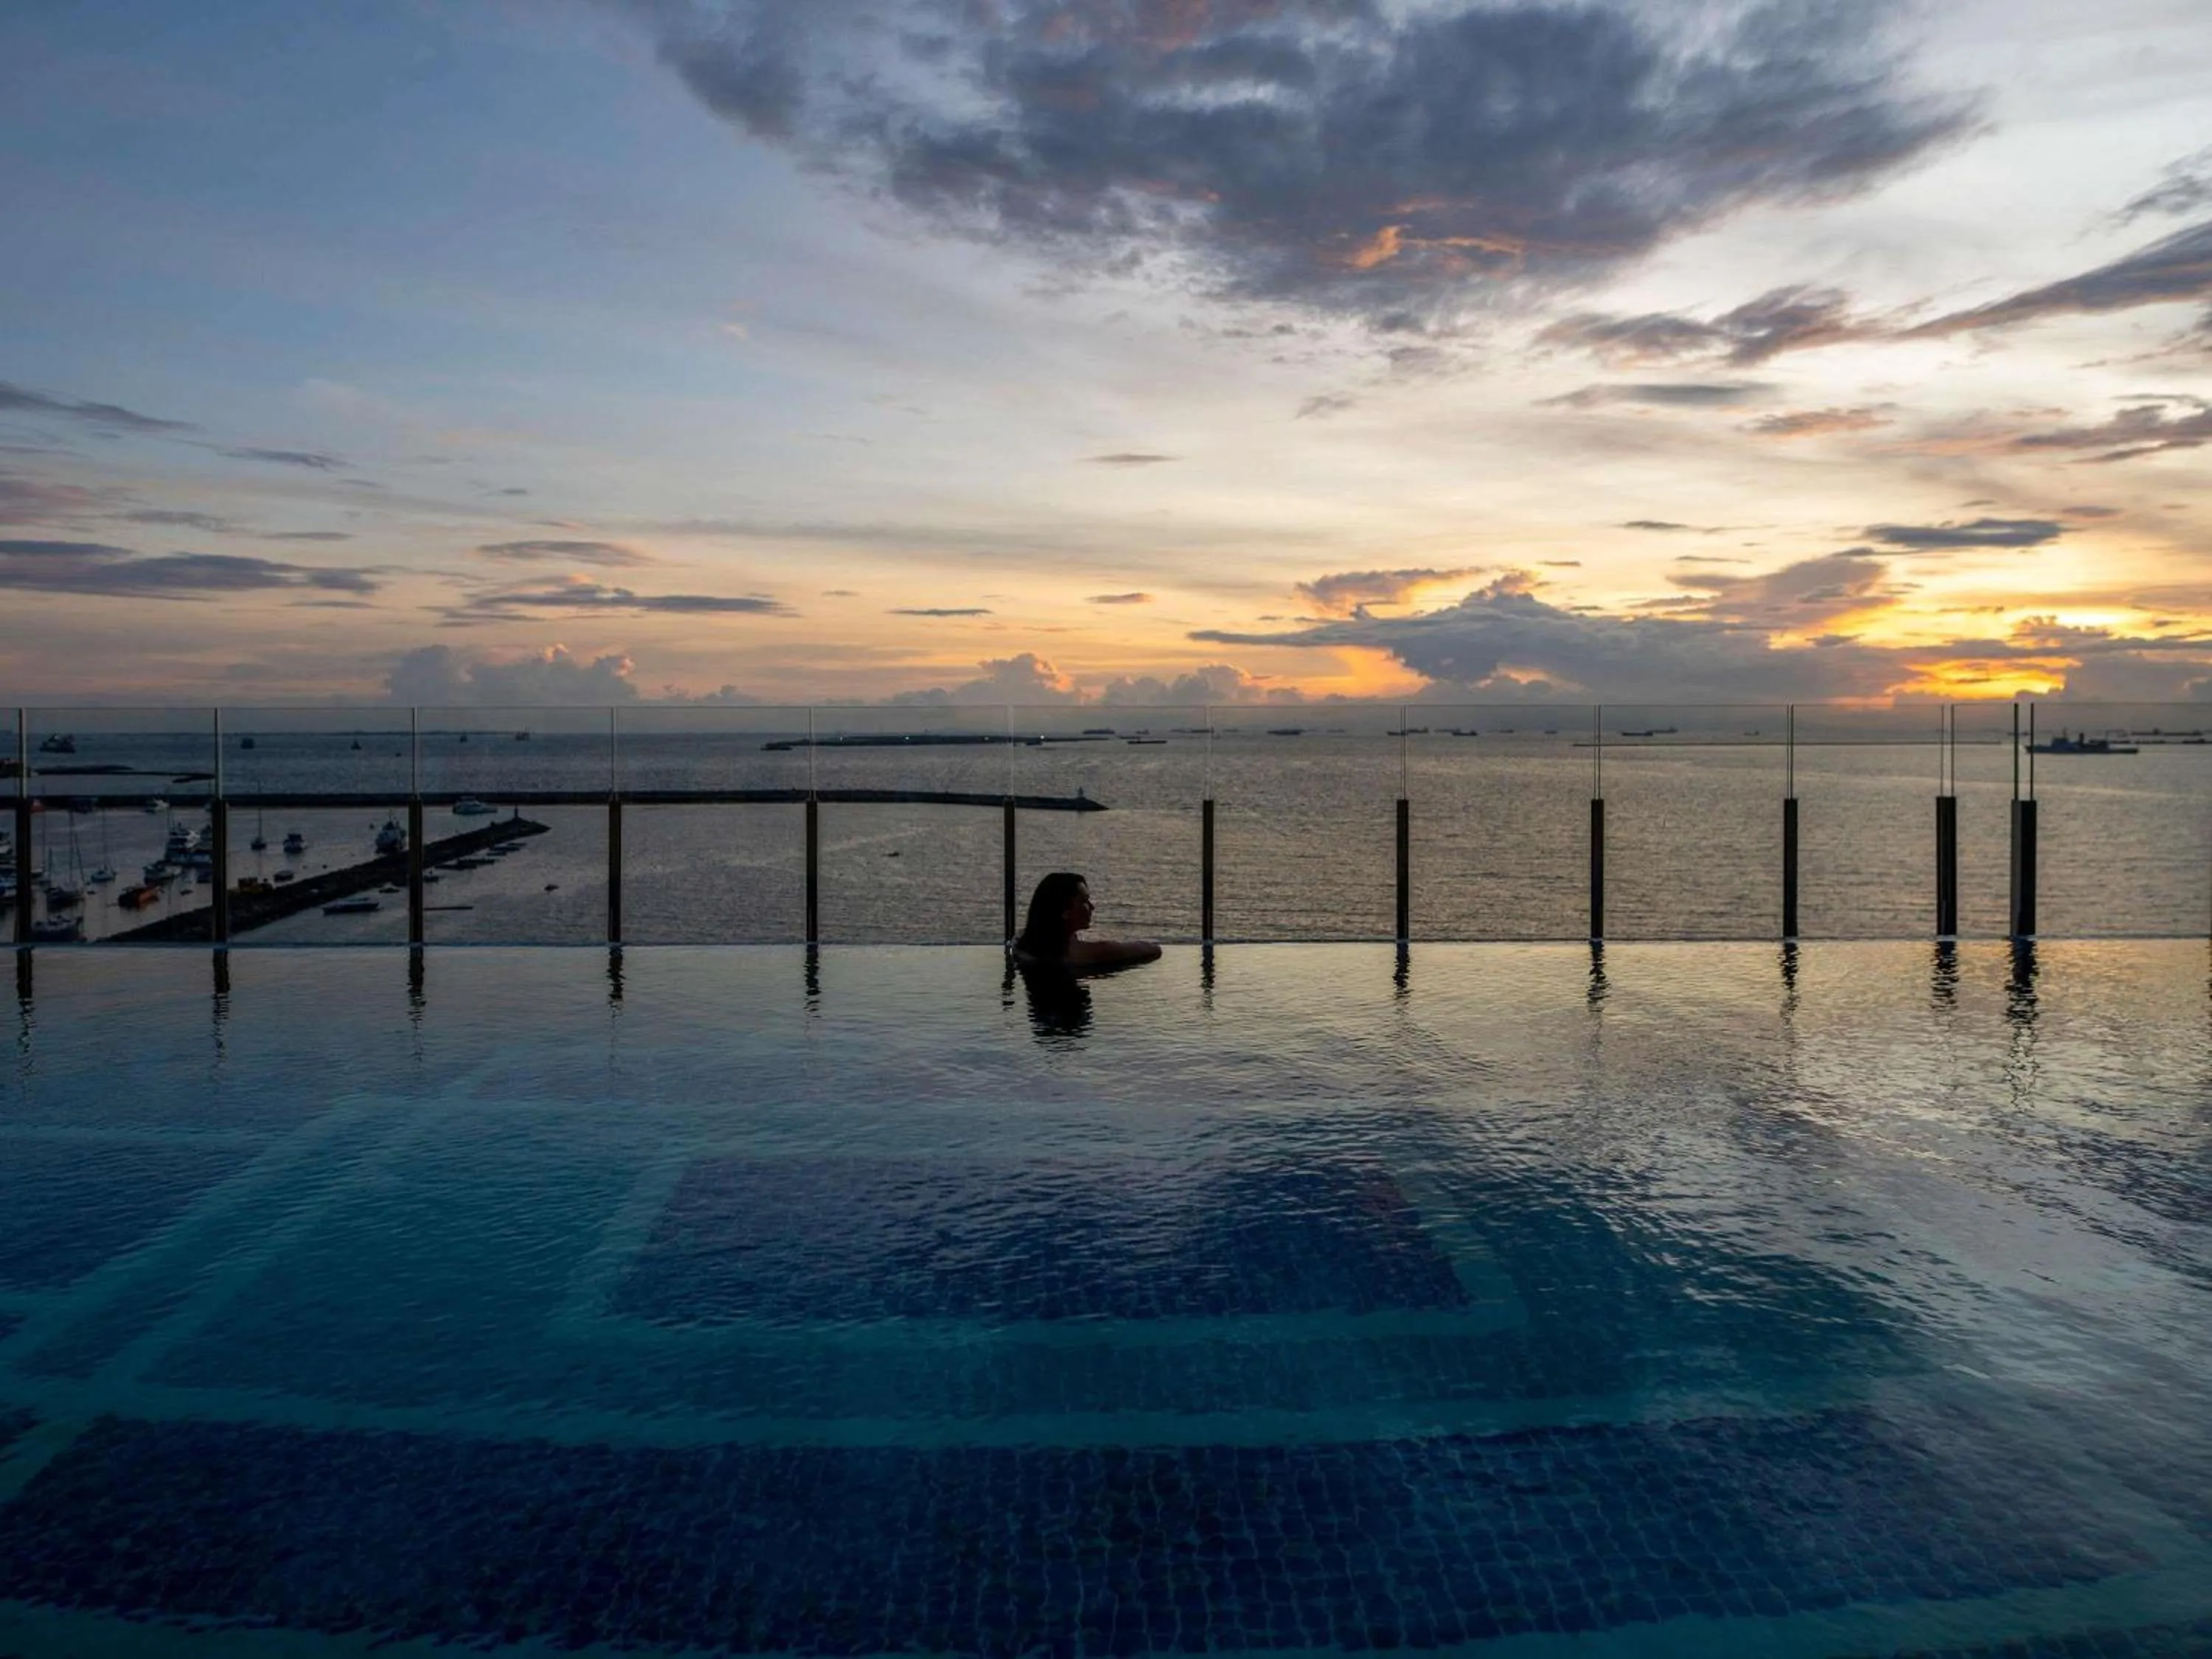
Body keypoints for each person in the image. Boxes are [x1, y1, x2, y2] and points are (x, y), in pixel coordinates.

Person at [1011, 871, 1161, 971]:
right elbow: (1152, 949)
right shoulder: (1081, 954)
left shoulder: (1023, 942)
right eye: (1084, 901)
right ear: (1065, 911)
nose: (1092, 907)